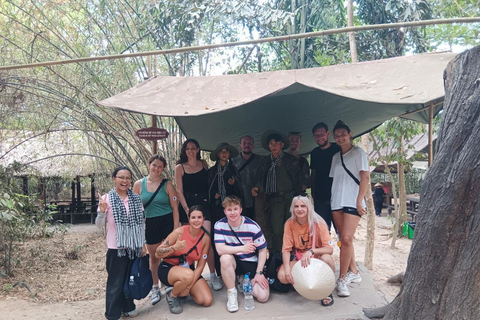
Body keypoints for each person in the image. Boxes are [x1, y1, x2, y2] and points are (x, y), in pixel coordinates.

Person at [96, 166, 146, 320]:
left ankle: (128, 307)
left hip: (134, 246)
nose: (124, 181)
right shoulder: (107, 198)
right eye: (121, 177)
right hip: (115, 248)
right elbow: (98, 225)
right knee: (115, 283)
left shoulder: (136, 198)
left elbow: (142, 223)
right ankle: (112, 314)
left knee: (129, 279)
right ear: (114, 178)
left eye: (128, 178)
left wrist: (142, 243)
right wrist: (102, 212)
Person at [329, 120, 370, 297]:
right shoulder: (335, 157)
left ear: (350, 134)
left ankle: (342, 278)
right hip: (337, 200)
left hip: (353, 201)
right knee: (344, 239)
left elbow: (365, 178)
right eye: (337, 135)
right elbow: (335, 179)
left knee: (346, 239)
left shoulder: (359, 153)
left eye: (343, 134)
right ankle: (354, 272)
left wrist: (359, 201)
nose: (340, 138)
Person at [174, 139, 221, 290]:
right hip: (188, 206)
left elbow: (209, 185)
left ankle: (213, 275)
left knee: (206, 240)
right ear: (184, 150)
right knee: (190, 242)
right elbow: (179, 191)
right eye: (188, 148)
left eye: (193, 148)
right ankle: (192, 275)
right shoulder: (179, 167)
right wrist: (186, 208)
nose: (191, 151)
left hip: (204, 205)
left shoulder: (204, 164)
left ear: (198, 149)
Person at [132, 154, 179, 305]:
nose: (156, 169)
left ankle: (167, 284)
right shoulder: (139, 184)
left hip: (166, 221)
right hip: (149, 223)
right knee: (154, 257)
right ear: (149, 165)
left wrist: (176, 228)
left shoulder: (167, 185)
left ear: (163, 169)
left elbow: (175, 208)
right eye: (154, 165)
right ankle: (155, 287)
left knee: (168, 255)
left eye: (160, 167)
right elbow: (134, 210)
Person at [276, 194, 335, 306]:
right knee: (283, 275)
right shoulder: (289, 224)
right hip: (299, 258)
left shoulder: (319, 223)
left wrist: (312, 251)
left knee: (327, 259)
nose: (299, 209)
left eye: (303, 206)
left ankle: (327, 290)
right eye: (296, 206)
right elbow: (286, 249)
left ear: (309, 208)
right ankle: (303, 285)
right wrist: (288, 268)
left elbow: (329, 249)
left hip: (316, 258)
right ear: (292, 208)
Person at [214, 196, 270, 312]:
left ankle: (242, 280)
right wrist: (242, 248)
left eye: (235, 209)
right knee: (224, 258)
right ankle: (232, 293)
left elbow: (262, 250)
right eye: (229, 210)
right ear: (225, 211)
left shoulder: (252, 226)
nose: (233, 213)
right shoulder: (219, 225)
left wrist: (259, 272)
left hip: (250, 262)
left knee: (263, 297)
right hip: (234, 262)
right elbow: (220, 250)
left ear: (240, 210)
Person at [155, 206, 213, 314]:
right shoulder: (179, 232)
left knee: (206, 300)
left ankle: (182, 287)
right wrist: (174, 248)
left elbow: (200, 266)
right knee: (188, 275)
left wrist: (189, 287)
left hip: (187, 270)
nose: (196, 220)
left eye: (199, 217)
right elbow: (157, 253)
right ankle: (172, 295)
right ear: (189, 219)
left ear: (203, 219)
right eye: (193, 217)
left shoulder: (205, 238)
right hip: (168, 268)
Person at [252, 130, 302, 253]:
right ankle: (278, 257)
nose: (273, 146)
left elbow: (297, 181)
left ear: (282, 145)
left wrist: (299, 199)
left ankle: (293, 256)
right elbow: (260, 180)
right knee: (277, 231)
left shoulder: (290, 160)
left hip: (290, 200)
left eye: (276, 143)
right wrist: (257, 188)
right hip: (273, 201)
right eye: (271, 144)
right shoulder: (264, 162)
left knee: (292, 228)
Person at [208, 142, 242, 286]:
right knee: (218, 240)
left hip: (232, 210)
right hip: (216, 209)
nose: (224, 154)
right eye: (221, 151)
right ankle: (219, 272)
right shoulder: (211, 171)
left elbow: (240, 190)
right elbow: (207, 189)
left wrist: (233, 184)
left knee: (234, 238)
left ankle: (237, 270)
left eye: (226, 152)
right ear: (217, 155)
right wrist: (213, 196)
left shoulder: (234, 169)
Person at [310, 122, 341, 233]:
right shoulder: (315, 153)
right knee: (322, 231)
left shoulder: (338, 149)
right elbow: (313, 174)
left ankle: (343, 250)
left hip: (337, 197)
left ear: (328, 134)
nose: (320, 137)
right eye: (316, 135)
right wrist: (314, 195)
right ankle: (325, 250)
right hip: (320, 199)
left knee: (341, 231)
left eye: (322, 134)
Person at [231, 135, 264, 221]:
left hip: (256, 199)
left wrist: (258, 188)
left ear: (253, 146)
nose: (247, 145)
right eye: (244, 143)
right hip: (239, 199)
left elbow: (264, 177)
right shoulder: (233, 161)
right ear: (240, 146)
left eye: (249, 143)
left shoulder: (261, 160)